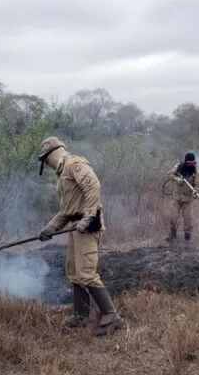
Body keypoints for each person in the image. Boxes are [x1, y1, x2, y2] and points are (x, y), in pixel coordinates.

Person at [36, 136, 125, 336]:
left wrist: (89, 216)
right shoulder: (63, 173)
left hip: (88, 227)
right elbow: (66, 211)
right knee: (74, 272)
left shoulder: (73, 164)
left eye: (45, 160)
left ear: (50, 155)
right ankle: (81, 315)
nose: (47, 164)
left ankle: (111, 316)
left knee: (86, 273)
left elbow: (93, 186)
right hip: (75, 227)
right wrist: (49, 229)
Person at [166, 152, 199, 242]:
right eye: (189, 163)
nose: (191, 165)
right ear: (186, 162)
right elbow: (169, 174)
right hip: (176, 197)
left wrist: (195, 191)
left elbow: (197, 184)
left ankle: (187, 240)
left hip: (187, 199)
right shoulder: (178, 166)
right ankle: (173, 236)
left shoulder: (195, 171)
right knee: (173, 217)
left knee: (187, 221)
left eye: (192, 163)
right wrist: (177, 179)